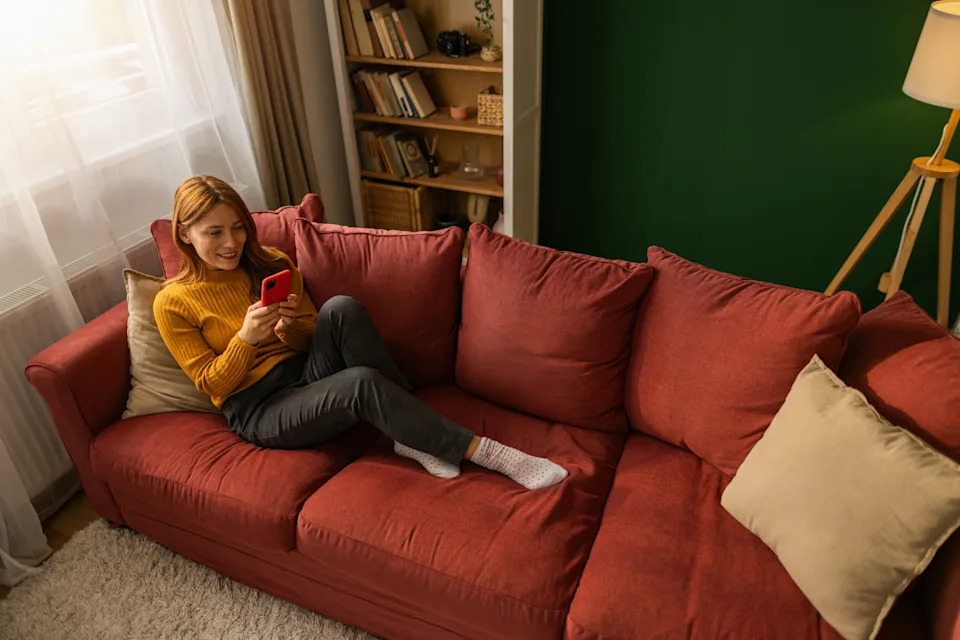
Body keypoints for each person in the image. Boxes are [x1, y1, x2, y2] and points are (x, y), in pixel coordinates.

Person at [153, 176, 568, 490]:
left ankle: (412, 436)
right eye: (214, 232)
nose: (232, 242)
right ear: (185, 234)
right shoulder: (172, 302)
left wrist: (288, 327)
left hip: (304, 373)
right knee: (359, 383)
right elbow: (212, 384)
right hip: (260, 409)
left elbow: (309, 337)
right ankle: (494, 455)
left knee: (341, 308)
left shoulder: (272, 263)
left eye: (238, 227)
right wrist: (245, 339)